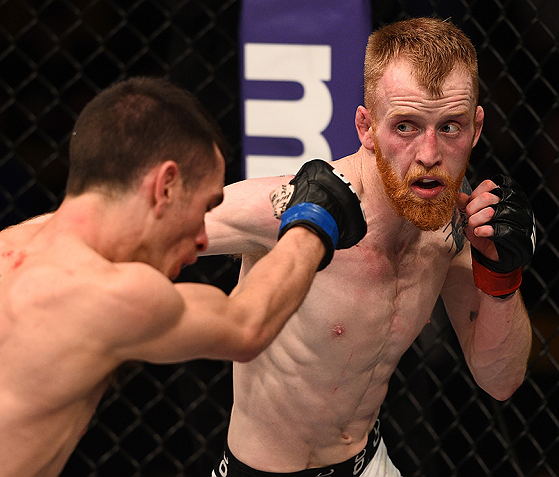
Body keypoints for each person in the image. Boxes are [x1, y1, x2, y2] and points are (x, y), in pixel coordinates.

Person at [0, 77, 368, 476]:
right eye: (203, 208)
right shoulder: (102, 292)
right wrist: (312, 221)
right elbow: (246, 325)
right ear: (165, 186)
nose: (200, 238)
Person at [205, 17, 535, 476]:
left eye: (450, 127)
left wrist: (503, 276)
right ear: (366, 127)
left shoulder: (453, 234)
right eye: (405, 127)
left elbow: (501, 381)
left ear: (477, 128)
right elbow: (124, 236)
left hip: (368, 462)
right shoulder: (288, 210)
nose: (429, 154)